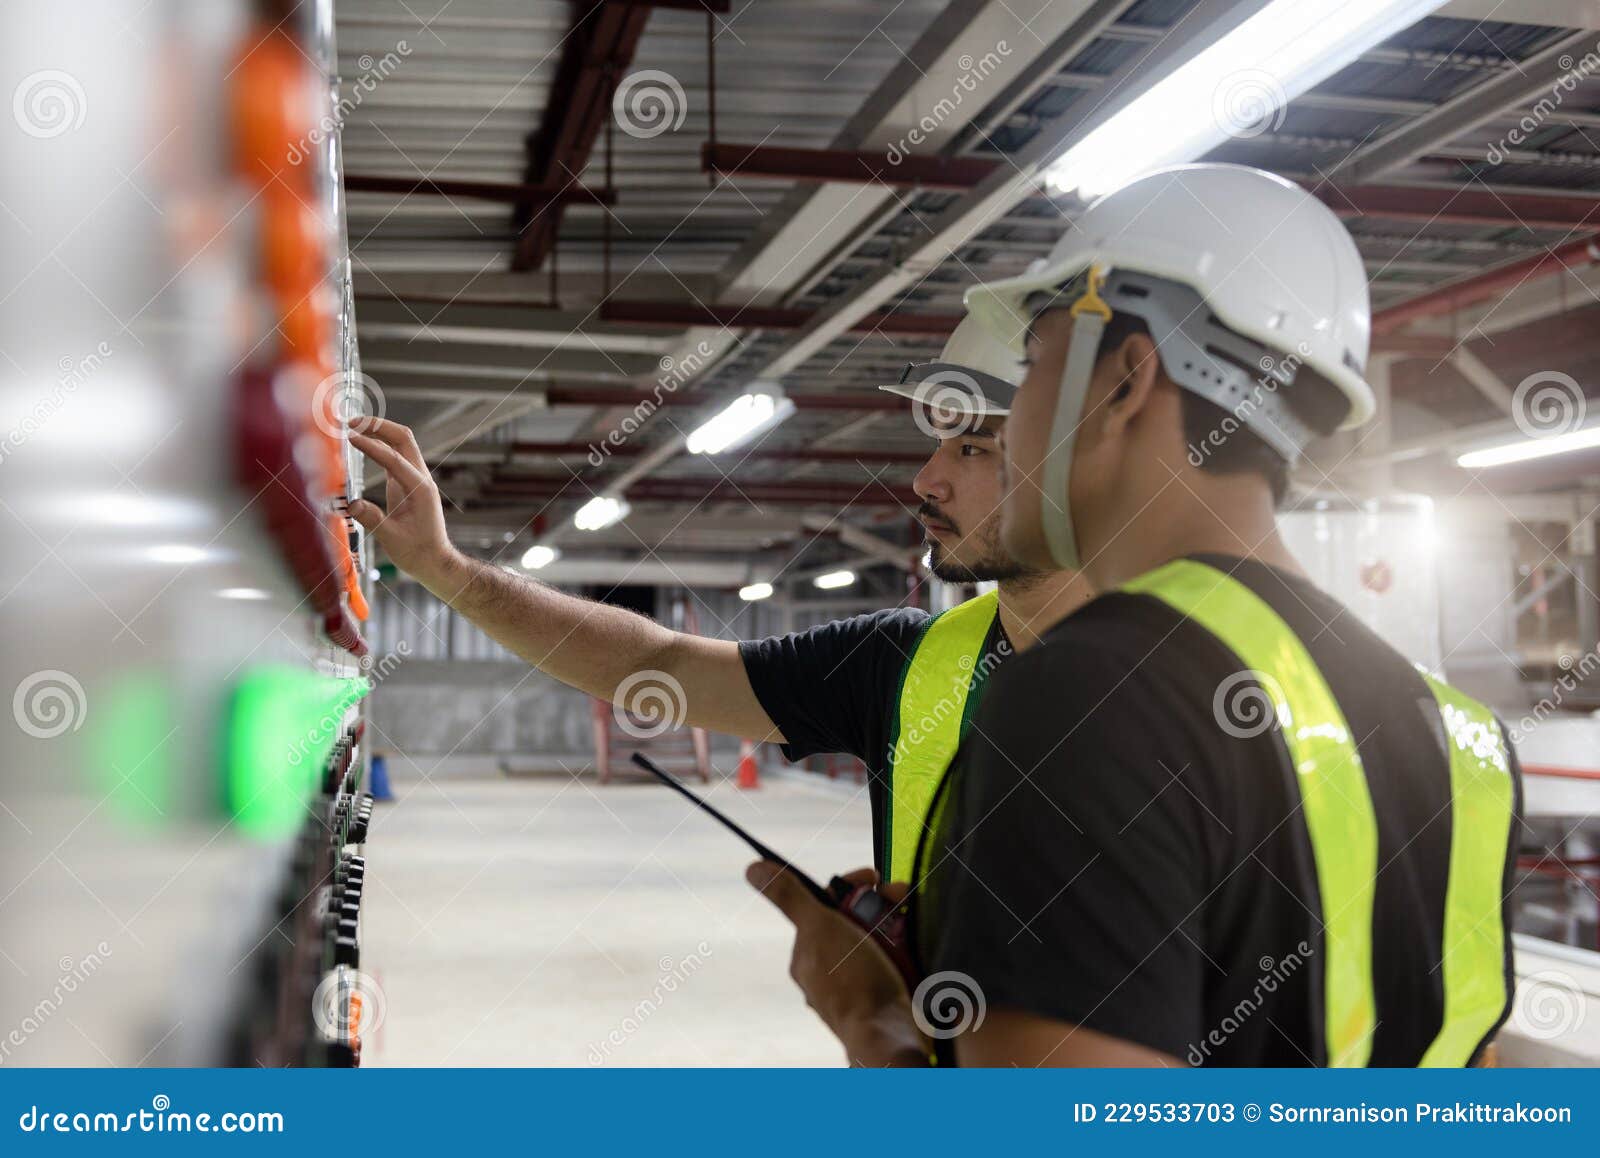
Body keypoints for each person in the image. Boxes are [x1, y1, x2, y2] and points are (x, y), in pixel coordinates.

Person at [749, 163, 1521, 1068]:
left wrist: (870, 1019)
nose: (1016, 419)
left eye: (1033, 366)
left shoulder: (1086, 694)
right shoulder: (1459, 735)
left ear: (1124, 382)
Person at [349, 316, 1091, 877]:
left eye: (973, 448)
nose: (926, 479)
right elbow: (656, 666)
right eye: (939, 445)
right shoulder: (902, 664)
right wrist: (449, 572)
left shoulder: (1161, 689)